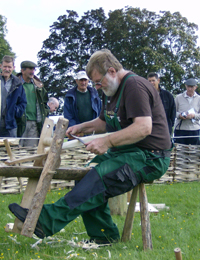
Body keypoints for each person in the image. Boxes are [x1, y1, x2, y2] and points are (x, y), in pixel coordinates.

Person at [9, 49, 172, 244]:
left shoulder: (134, 86)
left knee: (97, 179)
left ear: (111, 71)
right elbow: (104, 121)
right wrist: (82, 127)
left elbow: (144, 127)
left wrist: (107, 141)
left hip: (150, 158)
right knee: (85, 178)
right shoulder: (110, 90)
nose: (96, 86)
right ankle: (104, 236)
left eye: (97, 81)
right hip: (126, 152)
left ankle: (45, 221)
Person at [16, 60, 49, 147]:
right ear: (22, 71)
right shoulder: (15, 84)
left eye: (34, 69)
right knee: (17, 149)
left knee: (31, 151)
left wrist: (45, 113)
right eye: (30, 69)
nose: (33, 71)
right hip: (19, 123)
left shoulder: (38, 86)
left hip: (34, 123)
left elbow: (45, 103)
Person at [0, 55, 27, 137]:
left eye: (9, 67)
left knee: (11, 149)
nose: (7, 69)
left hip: (10, 125)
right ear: (0, 66)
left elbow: (23, 103)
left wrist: (13, 111)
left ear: (13, 67)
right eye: (5, 66)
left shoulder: (18, 84)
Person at [174, 78, 200, 145]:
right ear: (185, 86)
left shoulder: (199, 99)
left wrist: (194, 116)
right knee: (179, 151)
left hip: (194, 129)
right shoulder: (178, 97)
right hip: (180, 128)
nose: (190, 89)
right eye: (188, 86)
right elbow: (173, 112)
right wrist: (179, 115)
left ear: (195, 87)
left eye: (192, 87)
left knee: (194, 152)